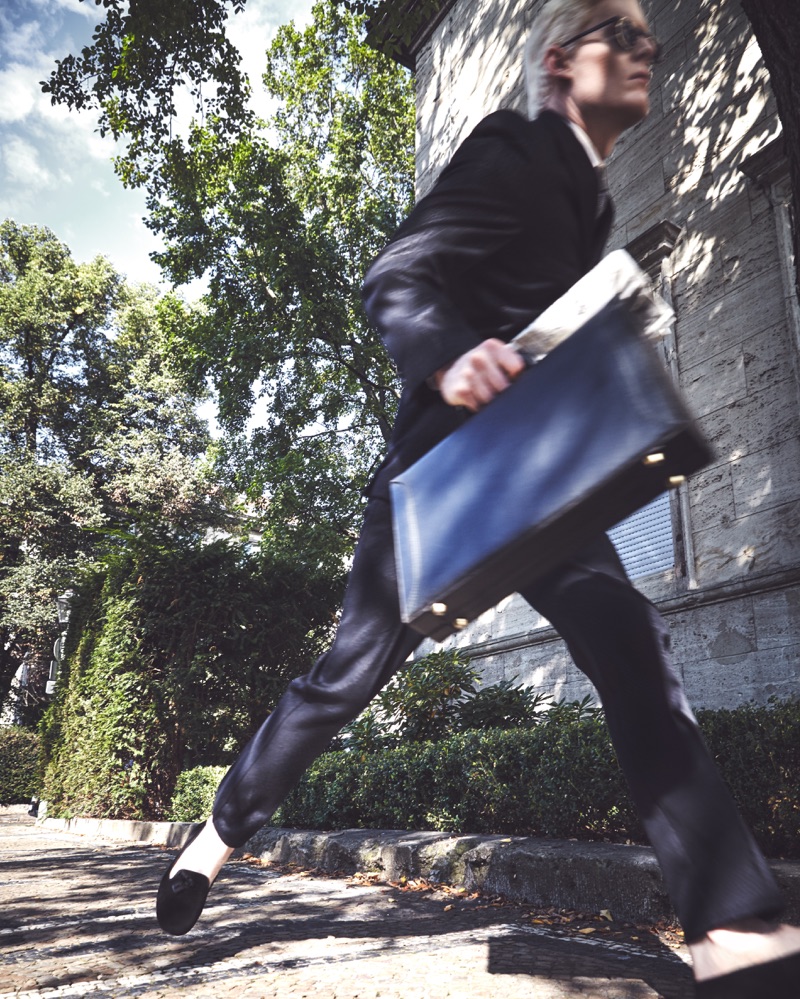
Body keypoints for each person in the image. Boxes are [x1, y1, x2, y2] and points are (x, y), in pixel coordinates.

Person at [157, 0, 800, 993]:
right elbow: (397, 277)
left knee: (630, 643)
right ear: (559, 65)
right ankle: (214, 838)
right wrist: (450, 357)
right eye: (618, 40)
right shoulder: (509, 148)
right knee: (344, 679)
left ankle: (732, 922)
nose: (644, 53)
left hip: (538, 472)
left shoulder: (589, 207)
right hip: (443, 472)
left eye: (647, 40)